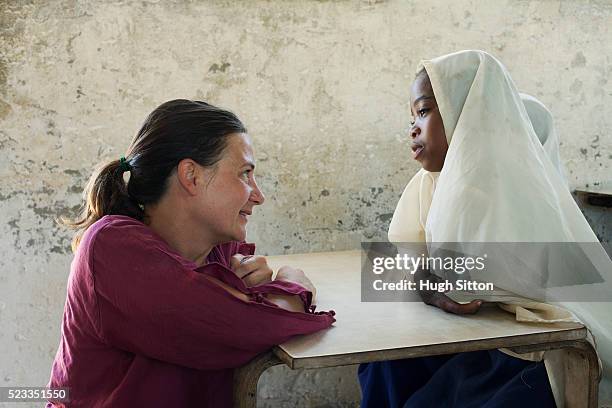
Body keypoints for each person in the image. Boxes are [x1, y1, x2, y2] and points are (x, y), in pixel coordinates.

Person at [360, 50, 612, 407]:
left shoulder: (513, 197)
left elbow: (471, 285)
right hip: (488, 345)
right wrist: (425, 280)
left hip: (538, 356)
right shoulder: (438, 185)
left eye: (425, 110)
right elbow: (401, 263)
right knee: (384, 364)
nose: (412, 127)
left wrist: (437, 282)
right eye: (413, 115)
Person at [46, 99, 335, 407]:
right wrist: (294, 286)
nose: (258, 196)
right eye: (244, 173)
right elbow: (243, 326)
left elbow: (245, 316)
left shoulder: (217, 249)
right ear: (191, 176)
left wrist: (256, 293)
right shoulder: (111, 247)